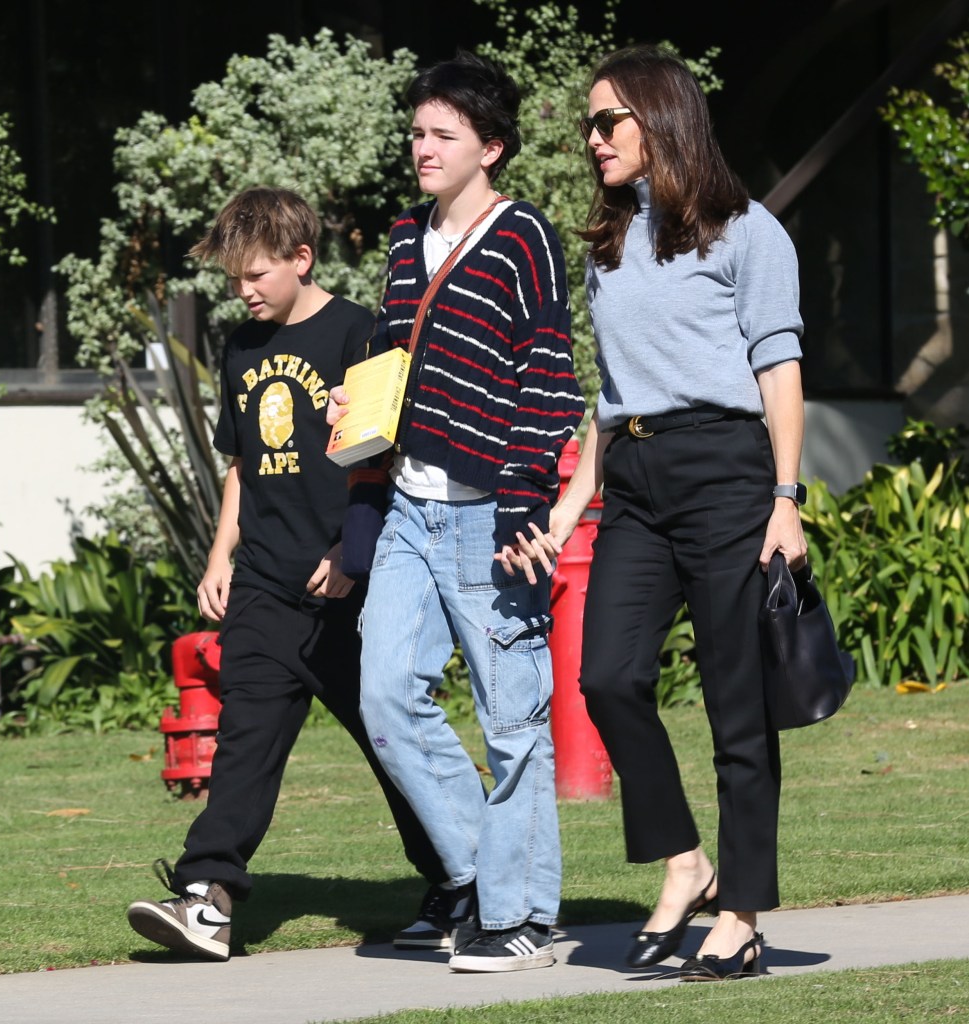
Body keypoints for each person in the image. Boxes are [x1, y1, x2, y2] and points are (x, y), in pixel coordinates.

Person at [126, 186, 453, 962]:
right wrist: (219, 556)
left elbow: (376, 453)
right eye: (235, 278)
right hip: (267, 584)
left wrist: (350, 552)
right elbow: (242, 465)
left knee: (391, 739)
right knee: (245, 737)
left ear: (302, 259)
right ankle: (207, 898)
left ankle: (458, 881)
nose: (243, 291)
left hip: (345, 584)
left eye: (256, 275)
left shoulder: (357, 333)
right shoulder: (241, 346)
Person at [546, 45, 806, 982]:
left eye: (605, 121)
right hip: (637, 480)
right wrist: (577, 491)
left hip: (727, 472)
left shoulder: (745, 232)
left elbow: (778, 367)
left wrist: (785, 499)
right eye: (588, 123)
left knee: (739, 707)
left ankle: (738, 912)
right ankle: (684, 862)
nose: (591, 139)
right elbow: (609, 393)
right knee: (606, 676)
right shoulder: (609, 245)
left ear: (658, 120)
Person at [329, 52, 584, 972]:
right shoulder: (404, 239)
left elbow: (546, 380)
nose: (422, 148)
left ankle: (519, 917)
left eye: (442, 135)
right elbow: (395, 361)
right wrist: (352, 410)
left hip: (490, 515)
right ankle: (485, 874)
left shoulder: (524, 238)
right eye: (416, 133)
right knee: (385, 697)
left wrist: (526, 503)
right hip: (406, 507)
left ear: (492, 147)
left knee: (511, 720)